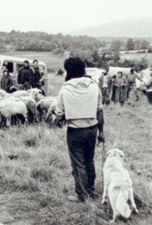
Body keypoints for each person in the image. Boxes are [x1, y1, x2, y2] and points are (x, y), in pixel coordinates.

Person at [55, 57, 104, 202]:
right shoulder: (94, 86)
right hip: (92, 129)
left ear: (68, 71)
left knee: (78, 164)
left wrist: (58, 121)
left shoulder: (65, 89)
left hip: (75, 131)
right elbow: (100, 112)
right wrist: (101, 132)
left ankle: (82, 196)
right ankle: (91, 190)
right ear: (83, 69)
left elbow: (58, 114)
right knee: (89, 161)